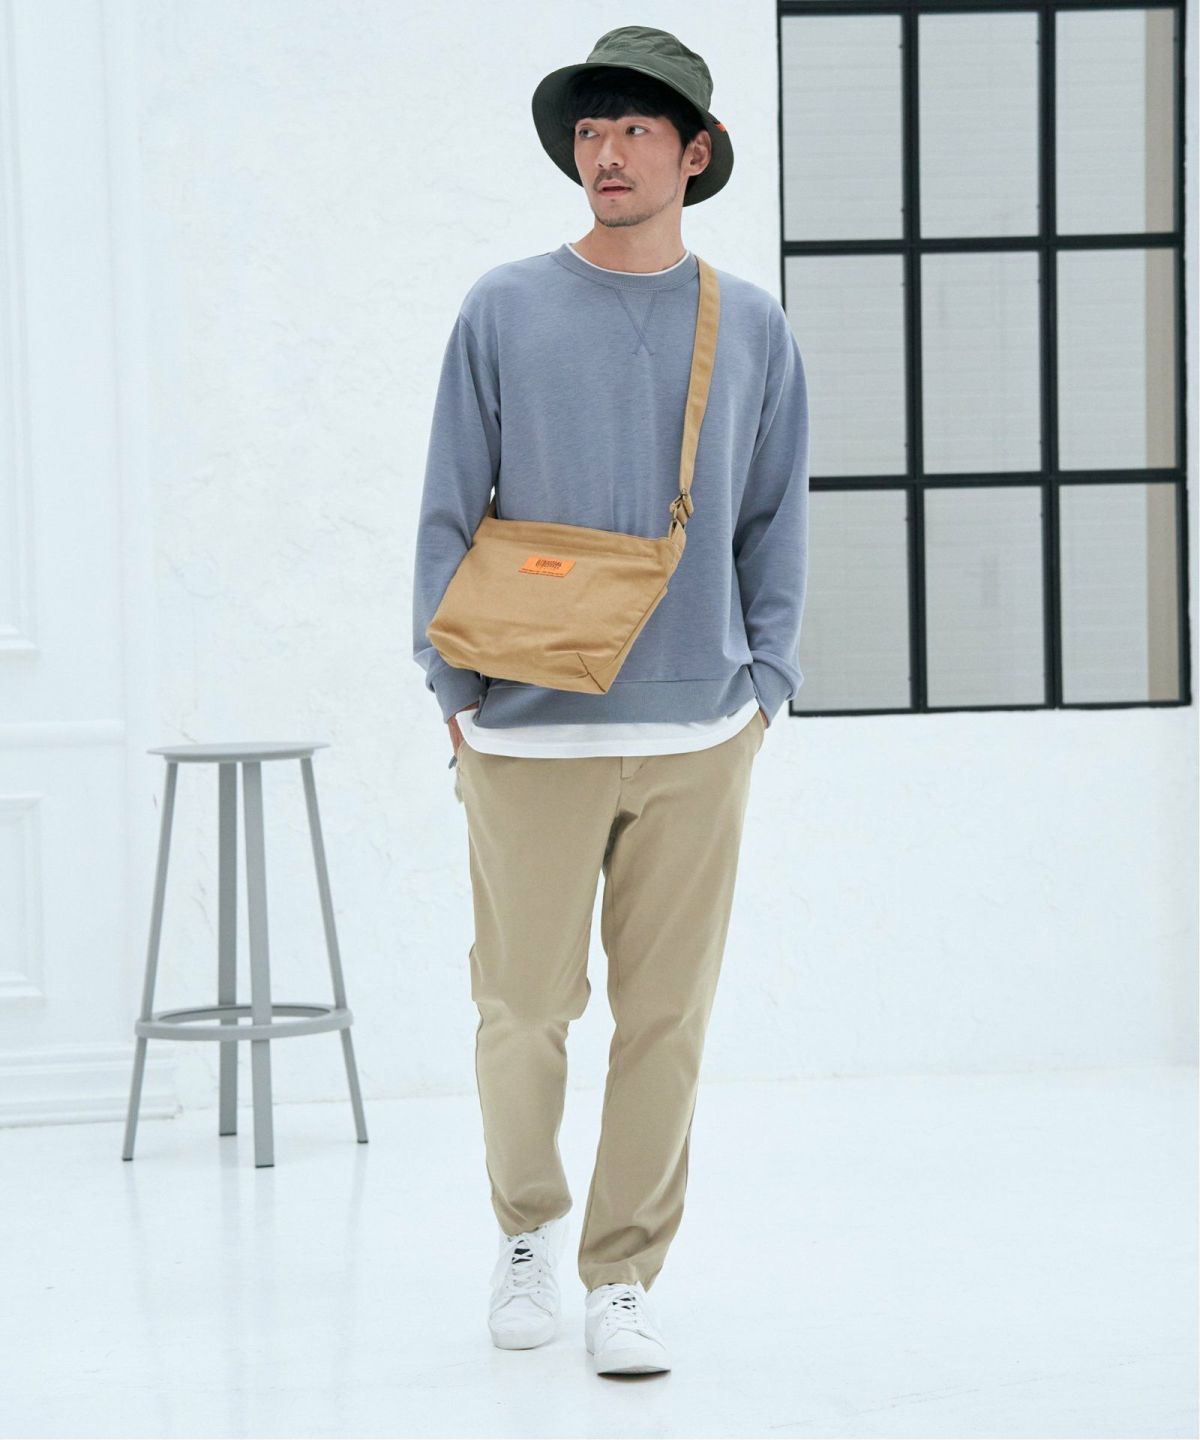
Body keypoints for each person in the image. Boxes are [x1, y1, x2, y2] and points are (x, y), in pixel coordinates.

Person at [412, 25, 810, 1377]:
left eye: (636, 129)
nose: (608, 153)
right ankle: (527, 1233)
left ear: (694, 155)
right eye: (590, 131)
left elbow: (776, 518)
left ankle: (624, 1273)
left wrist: (766, 684)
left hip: (702, 732)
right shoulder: (504, 308)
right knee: (522, 1007)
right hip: (528, 729)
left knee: (667, 1022)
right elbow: (449, 499)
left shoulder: (750, 325)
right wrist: (450, 680)